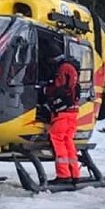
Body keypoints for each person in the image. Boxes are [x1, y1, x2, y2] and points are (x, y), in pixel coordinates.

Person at [43, 41, 81, 185]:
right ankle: (74, 173)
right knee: (68, 141)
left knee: (57, 139)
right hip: (73, 111)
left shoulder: (63, 68)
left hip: (63, 111)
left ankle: (63, 175)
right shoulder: (72, 67)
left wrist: (46, 90)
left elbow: (59, 87)